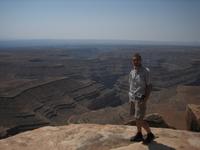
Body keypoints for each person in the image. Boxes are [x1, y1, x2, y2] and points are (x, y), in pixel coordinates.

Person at [129, 53, 155, 144]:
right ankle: (139, 134)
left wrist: (145, 100)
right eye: (134, 60)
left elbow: (149, 86)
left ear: (140, 60)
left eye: (137, 60)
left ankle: (150, 134)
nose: (135, 62)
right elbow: (131, 85)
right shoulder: (132, 72)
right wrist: (130, 97)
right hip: (133, 98)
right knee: (136, 118)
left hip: (141, 98)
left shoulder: (145, 71)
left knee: (140, 118)